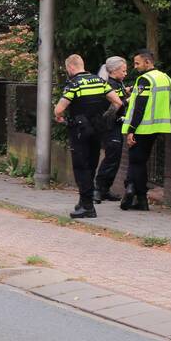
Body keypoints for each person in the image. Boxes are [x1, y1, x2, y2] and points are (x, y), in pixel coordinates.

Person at [54, 54, 123, 218]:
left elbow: (59, 109)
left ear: (71, 67)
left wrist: (59, 117)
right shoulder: (100, 81)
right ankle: (84, 201)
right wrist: (105, 117)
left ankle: (87, 206)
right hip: (97, 129)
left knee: (81, 167)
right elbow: (118, 102)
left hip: (79, 130)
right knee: (91, 165)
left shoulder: (74, 84)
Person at [121, 49, 171, 211]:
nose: (135, 66)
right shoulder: (165, 77)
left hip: (142, 128)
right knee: (141, 161)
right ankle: (138, 197)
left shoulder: (144, 79)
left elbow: (139, 107)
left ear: (147, 62)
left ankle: (136, 193)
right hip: (157, 127)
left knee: (136, 162)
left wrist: (131, 129)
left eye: (137, 63)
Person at [94, 56, 129, 203]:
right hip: (109, 125)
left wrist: (128, 90)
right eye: (123, 70)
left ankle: (104, 189)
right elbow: (114, 105)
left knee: (114, 158)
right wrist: (128, 100)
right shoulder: (109, 84)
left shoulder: (117, 83)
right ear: (114, 70)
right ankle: (97, 189)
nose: (126, 73)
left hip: (115, 125)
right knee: (111, 157)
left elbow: (119, 95)